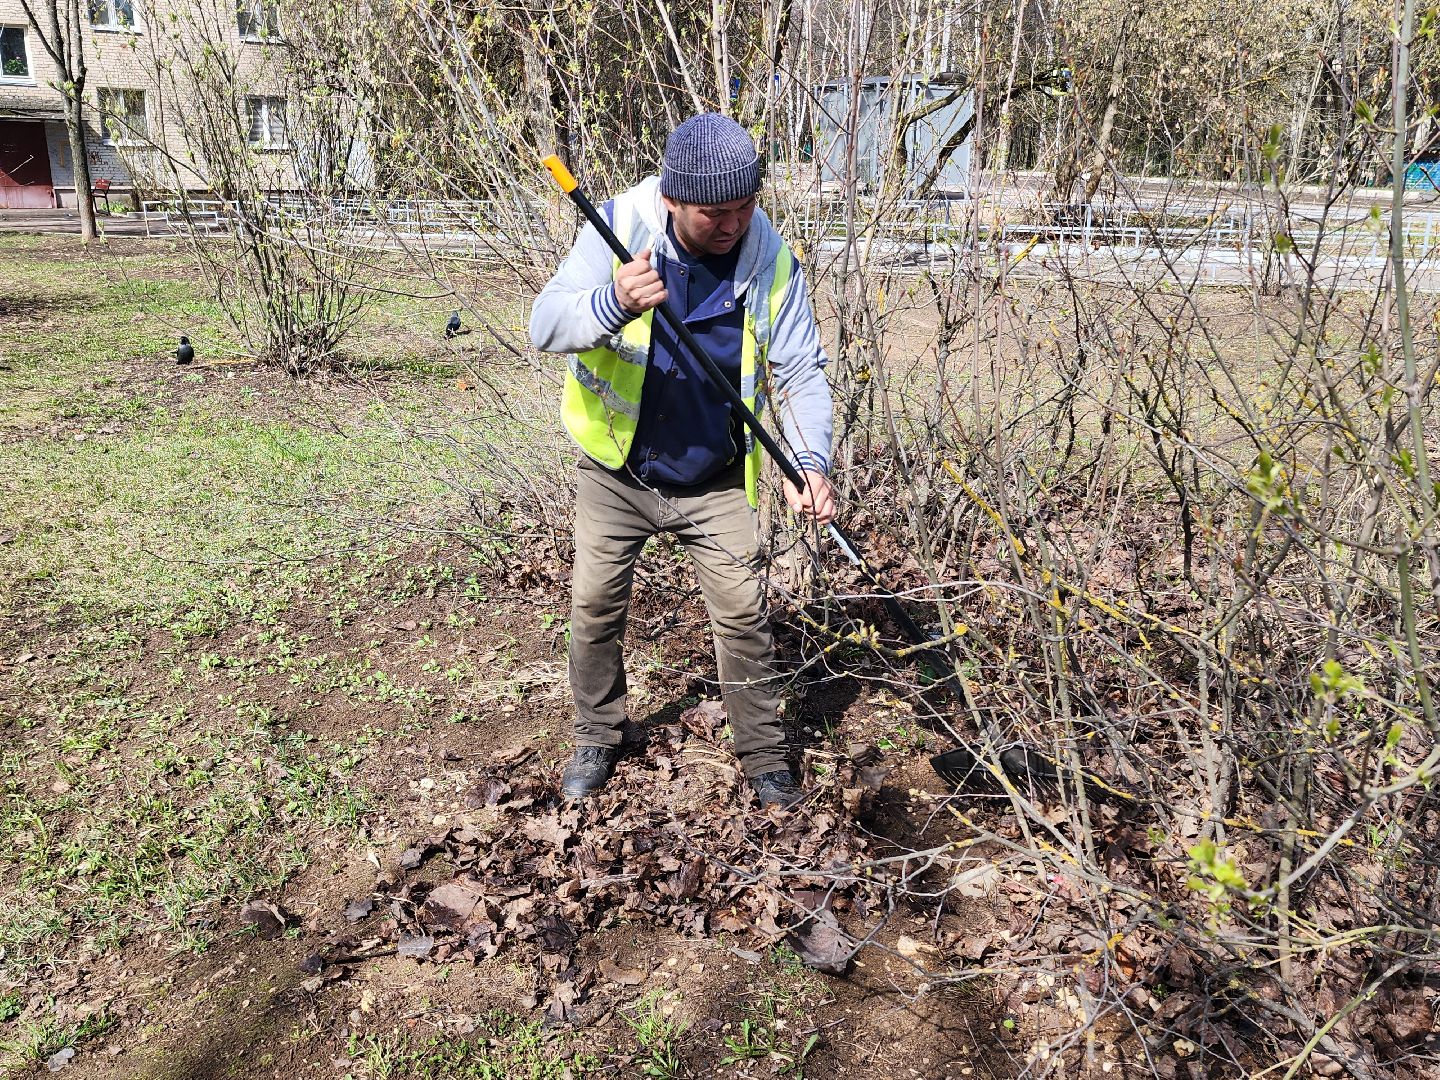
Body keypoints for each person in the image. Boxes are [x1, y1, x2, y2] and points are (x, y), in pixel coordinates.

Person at [529, 112, 835, 807]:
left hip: (714, 476)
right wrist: (612, 302)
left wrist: (811, 461)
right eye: (713, 214)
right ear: (672, 201)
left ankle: (764, 757)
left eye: (745, 206)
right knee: (594, 605)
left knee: (743, 613)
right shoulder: (617, 228)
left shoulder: (770, 259)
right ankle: (598, 735)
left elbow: (801, 371)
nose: (733, 225)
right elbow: (545, 324)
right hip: (617, 468)